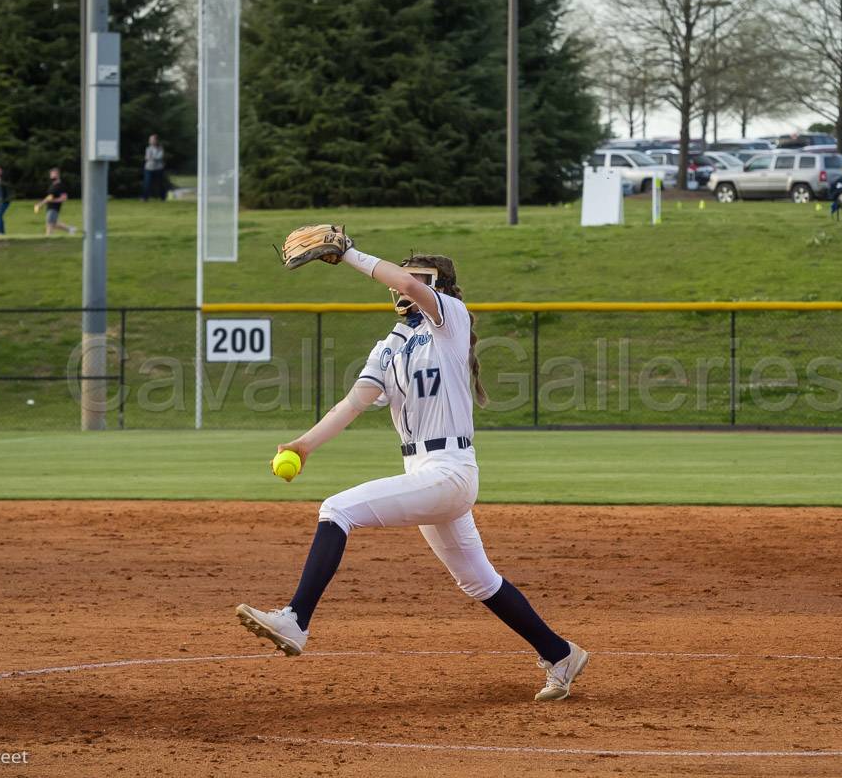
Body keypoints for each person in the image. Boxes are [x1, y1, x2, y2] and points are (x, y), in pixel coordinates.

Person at [235, 229, 589, 702]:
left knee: (337, 509)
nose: (400, 286)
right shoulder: (390, 345)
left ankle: (296, 619)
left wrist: (351, 254)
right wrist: (303, 445)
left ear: (440, 286)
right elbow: (353, 403)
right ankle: (560, 652)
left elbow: (414, 289)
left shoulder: (451, 320)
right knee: (478, 580)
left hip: (450, 470)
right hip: (422, 472)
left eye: (414, 278)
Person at [33, 167, 77, 236]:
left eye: (52, 174)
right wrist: (40, 204)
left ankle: (48, 239)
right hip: (49, 207)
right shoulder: (52, 186)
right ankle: (70, 229)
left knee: (50, 224)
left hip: (54, 208)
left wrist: (52, 201)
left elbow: (64, 198)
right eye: (50, 174)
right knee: (52, 224)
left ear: (57, 174)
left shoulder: (60, 186)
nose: (51, 175)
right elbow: (48, 198)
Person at [142, 134, 166, 202]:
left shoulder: (160, 148)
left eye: (152, 139)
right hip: (148, 168)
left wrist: (151, 157)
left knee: (160, 184)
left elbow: (160, 157)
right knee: (147, 183)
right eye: (150, 140)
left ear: (156, 140)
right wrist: (152, 158)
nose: (151, 141)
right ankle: (145, 198)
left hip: (158, 169)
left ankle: (163, 198)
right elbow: (146, 157)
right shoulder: (148, 148)